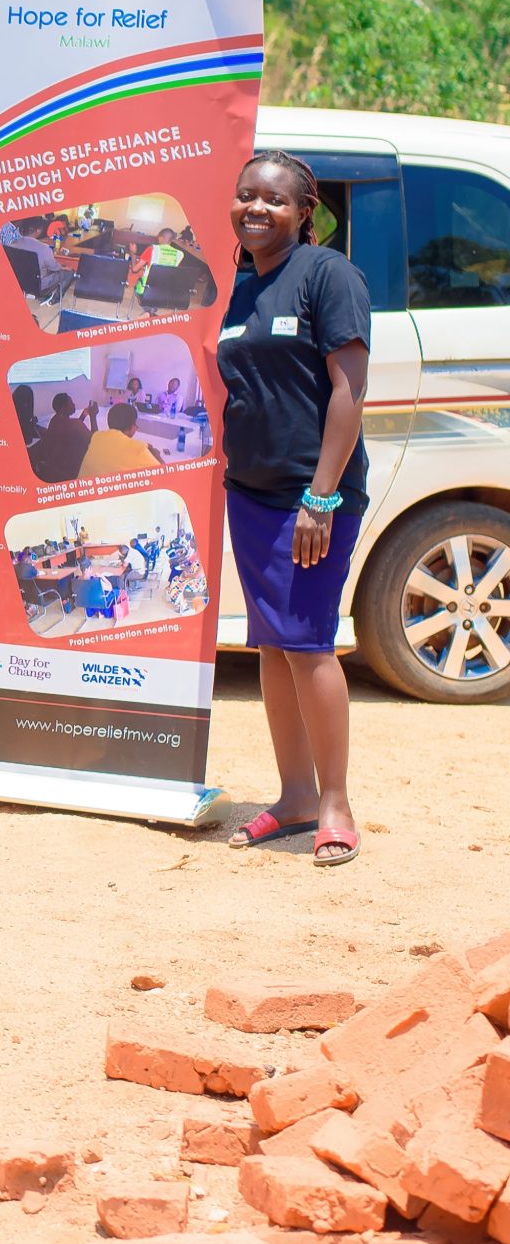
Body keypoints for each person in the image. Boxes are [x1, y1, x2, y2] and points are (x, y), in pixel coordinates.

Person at [217, 151, 370, 868]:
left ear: (305, 211)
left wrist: (321, 495)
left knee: (308, 642)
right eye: (246, 195)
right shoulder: (244, 282)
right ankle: (296, 796)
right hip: (251, 495)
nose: (256, 208)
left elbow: (349, 390)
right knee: (274, 646)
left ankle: (335, 805)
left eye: (274, 199)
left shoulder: (327, 274)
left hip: (311, 498)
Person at [77, 402, 161, 477]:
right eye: (135, 423)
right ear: (131, 425)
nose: (137, 427)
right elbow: (163, 474)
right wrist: (154, 453)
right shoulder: (138, 448)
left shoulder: (96, 437)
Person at [31, 392, 91, 482]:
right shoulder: (75, 424)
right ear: (64, 408)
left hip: (52, 470)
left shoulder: (54, 421)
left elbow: (69, 429)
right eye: (71, 402)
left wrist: (83, 415)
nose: (74, 404)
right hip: (69, 474)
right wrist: (93, 417)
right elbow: (93, 440)